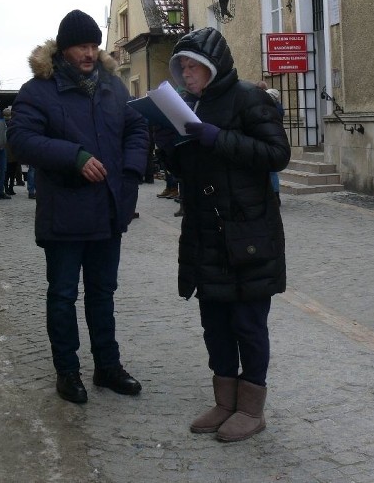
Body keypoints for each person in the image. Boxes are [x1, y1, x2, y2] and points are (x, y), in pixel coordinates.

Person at [154, 27, 290, 442]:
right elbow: (188, 171)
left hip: (248, 230)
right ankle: (224, 400)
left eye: (193, 66)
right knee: (214, 322)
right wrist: (169, 145)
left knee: (248, 323)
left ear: (213, 66)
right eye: (182, 67)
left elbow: (276, 154)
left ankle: (251, 409)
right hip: (204, 231)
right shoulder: (189, 105)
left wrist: (217, 137)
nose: (186, 73)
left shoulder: (250, 97)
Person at [8, 9, 149, 404]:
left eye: (93, 46)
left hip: (107, 211)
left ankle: (107, 366)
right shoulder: (39, 90)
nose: (89, 53)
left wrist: (132, 171)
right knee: (63, 295)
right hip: (66, 212)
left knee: (103, 293)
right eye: (80, 47)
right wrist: (74, 157)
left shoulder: (112, 85)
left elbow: (137, 127)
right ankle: (67, 371)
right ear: (63, 49)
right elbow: (20, 140)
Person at [265, 89, 285, 205]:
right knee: (272, 171)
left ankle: (275, 196)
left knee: (271, 171)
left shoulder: (272, 109)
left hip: (271, 139)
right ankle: (275, 195)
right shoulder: (279, 108)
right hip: (275, 138)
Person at [3, 106, 23, 195]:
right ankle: (10, 188)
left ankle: (6, 188)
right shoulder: (14, 124)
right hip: (13, 150)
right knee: (12, 172)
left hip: (6, 150)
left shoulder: (2, 124)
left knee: (7, 171)